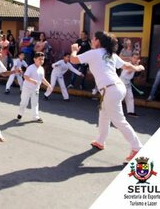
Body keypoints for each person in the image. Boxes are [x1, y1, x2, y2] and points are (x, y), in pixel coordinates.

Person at [70, 31, 145, 163]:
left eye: (93, 38)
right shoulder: (111, 55)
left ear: (98, 41)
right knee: (104, 114)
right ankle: (100, 141)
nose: (92, 40)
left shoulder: (94, 53)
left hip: (111, 90)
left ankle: (137, 147)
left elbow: (73, 60)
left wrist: (74, 50)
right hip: (116, 88)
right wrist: (138, 67)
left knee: (119, 121)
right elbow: (127, 66)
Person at [17, 52, 52, 123]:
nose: (41, 61)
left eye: (43, 59)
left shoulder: (42, 69)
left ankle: (35, 117)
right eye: (40, 59)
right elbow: (25, 76)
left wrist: (49, 85)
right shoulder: (31, 67)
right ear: (34, 59)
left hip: (35, 89)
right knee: (24, 102)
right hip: (27, 88)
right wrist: (32, 81)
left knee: (35, 103)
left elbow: (42, 79)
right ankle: (20, 113)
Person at [120, 52, 141, 117]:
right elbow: (129, 71)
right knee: (119, 98)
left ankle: (131, 112)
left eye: (136, 58)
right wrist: (136, 66)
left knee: (130, 97)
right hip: (121, 82)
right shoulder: (128, 64)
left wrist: (137, 66)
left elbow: (137, 73)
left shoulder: (134, 65)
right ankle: (110, 110)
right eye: (134, 58)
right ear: (131, 58)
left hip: (128, 83)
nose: (135, 59)